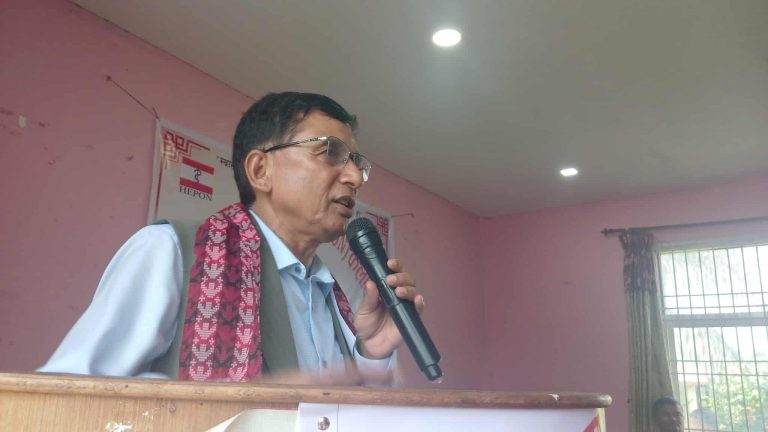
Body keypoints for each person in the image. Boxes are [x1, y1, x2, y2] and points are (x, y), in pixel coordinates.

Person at [39, 92, 424, 384]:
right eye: (331, 153)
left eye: (357, 164)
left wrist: (372, 355)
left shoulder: (336, 299)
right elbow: (67, 398)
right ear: (260, 170)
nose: (354, 178)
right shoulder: (171, 252)